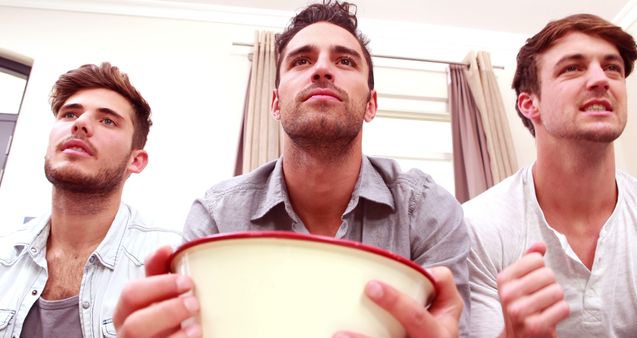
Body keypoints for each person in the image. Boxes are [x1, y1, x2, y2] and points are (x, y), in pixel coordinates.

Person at [113, 1, 469, 337]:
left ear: (370, 105)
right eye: (301, 61)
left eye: (345, 62)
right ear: (275, 103)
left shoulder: (426, 210)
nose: (322, 69)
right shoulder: (215, 216)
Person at [464, 13, 637, 337]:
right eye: (572, 68)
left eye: (612, 67)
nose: (601, 79)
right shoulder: (476, 227)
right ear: (530, 104)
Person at [0, 63, 182, 338]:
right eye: (70, 113)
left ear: (136, 160)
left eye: (107, 120)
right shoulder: (4, 258)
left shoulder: (171, 263)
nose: (80, 123)